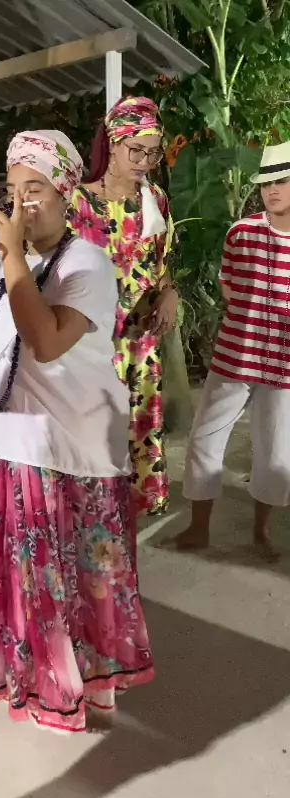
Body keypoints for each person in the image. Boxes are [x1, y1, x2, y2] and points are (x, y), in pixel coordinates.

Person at [0, 129, 154, 734]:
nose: (20, 203)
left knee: (68, 582)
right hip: (6, 443)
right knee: (23, 581)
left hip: (61, 451)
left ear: (66, 192)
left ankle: (72, 688)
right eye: (13, 189)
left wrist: (12, 255)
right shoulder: (18, 260)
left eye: (35, 188)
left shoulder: (86, 262)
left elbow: (43, 341)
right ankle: (31, 679)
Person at [169, 141, 290, 561]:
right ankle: (198, 529)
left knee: (275, 450)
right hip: (234, 356)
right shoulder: (242, 232)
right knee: (204, 438)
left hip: (283, 367)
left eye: (281, 181)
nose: (271, 190)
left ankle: (261, 532)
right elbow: (228, 285)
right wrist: (249, 314)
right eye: (266, 183)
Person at [69, 95, 179, 516]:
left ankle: (128, 511)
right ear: (114, 143)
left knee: (139, 426)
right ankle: (91, 512)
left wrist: (170, 293)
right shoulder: (78, 202)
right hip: (92, 342)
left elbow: (161, 267)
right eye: (136, 150)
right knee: (96, 427)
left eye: (153, 154)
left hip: (140, 342)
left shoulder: (155, 200)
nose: (145, 162)